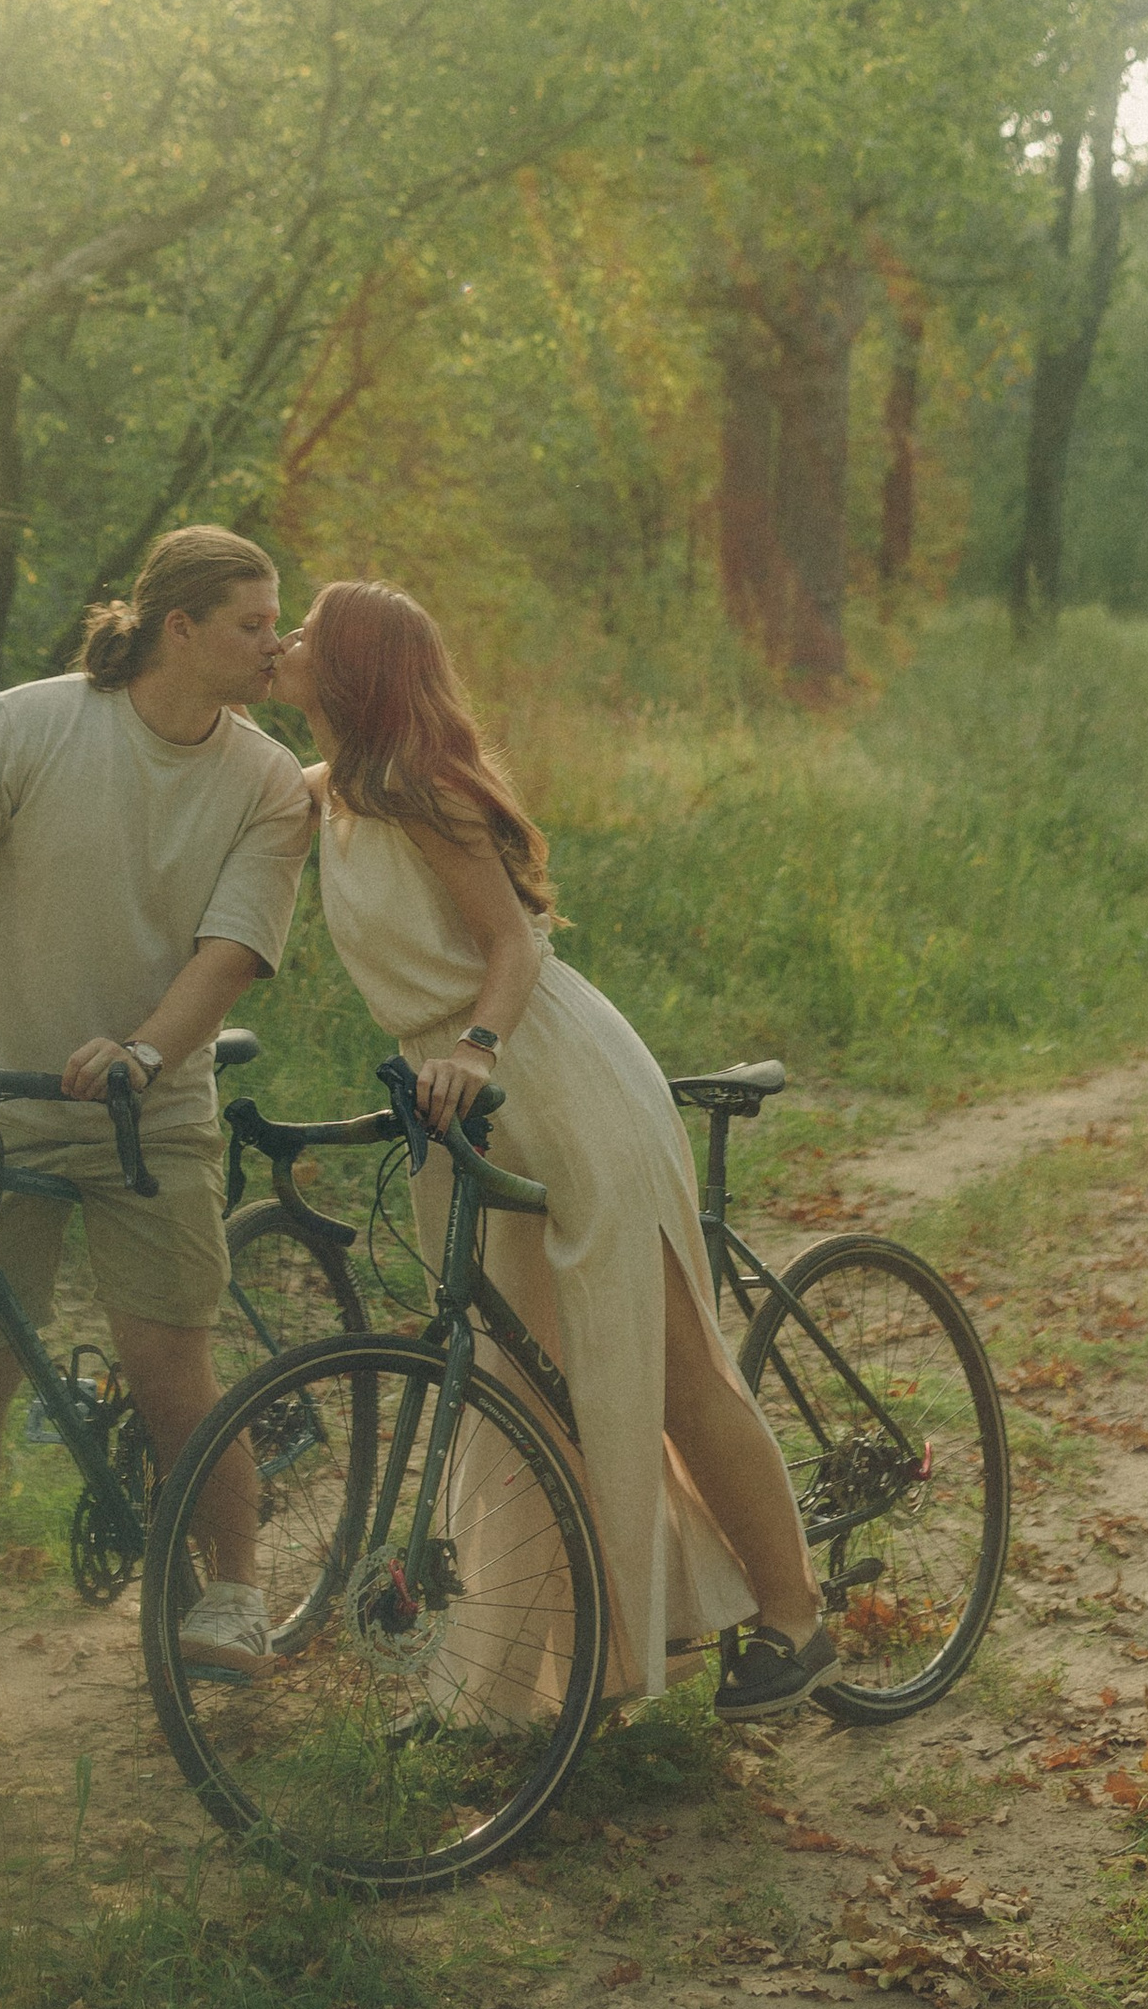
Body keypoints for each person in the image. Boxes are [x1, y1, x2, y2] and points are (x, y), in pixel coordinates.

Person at [270, 580, 835, 1720]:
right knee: (518, 1378)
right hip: (458, 1102)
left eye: (303, 636)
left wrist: (474, 1044)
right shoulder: (319, 795)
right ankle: (539, 1671)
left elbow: (510, 948)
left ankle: (794, 1618)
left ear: (351, 671)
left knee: (665, 1359)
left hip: (549, 1074)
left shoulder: (422, 792)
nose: (281, 647)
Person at [0, 523, 312, 1681]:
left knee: (169, 1372)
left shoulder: (266, 781)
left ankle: (236, 1594)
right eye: (253, 625)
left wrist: (147, 1056)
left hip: (147, 1112)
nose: (277, 645)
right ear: (181, 629)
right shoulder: (28, 724)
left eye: (277, 623)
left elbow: (232, 952)